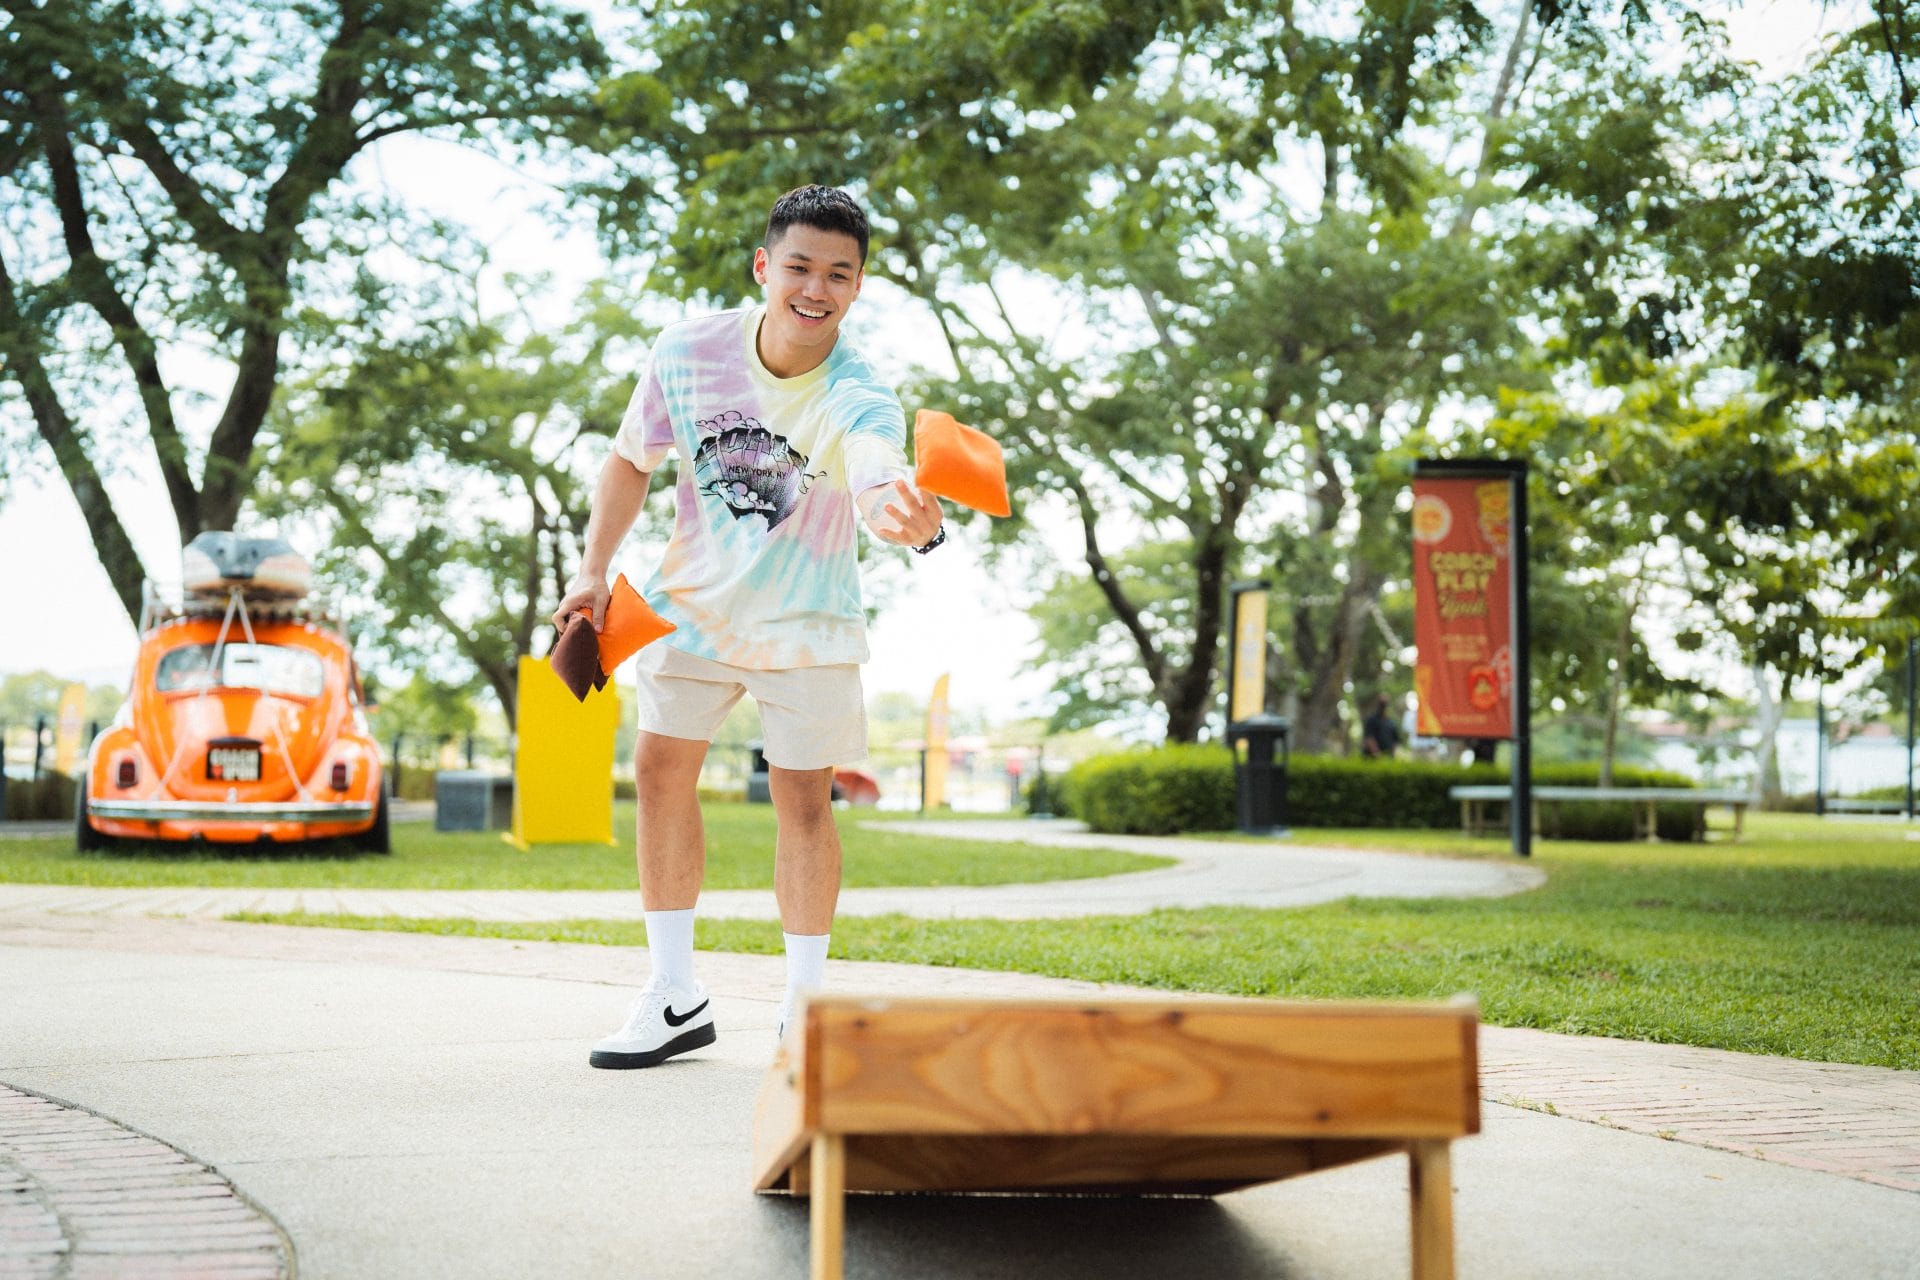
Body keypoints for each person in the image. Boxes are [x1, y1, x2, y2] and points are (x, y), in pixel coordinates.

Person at [553, 185, 946, 1069]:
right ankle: (673, 996)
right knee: (659, 774)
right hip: (687, 608)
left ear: (858, 286)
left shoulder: (859, 390)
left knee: (802, 801)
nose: (817, 288)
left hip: (806, 623)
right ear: (764, 267)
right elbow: (628, 461)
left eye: (839, 274)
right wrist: (589, 573)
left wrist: (901, 511)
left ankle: (804, 1007)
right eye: (800, 266)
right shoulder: (688, 350)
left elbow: (879, 469)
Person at [1361, 693, 1402, 760]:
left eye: (1385, 704)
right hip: (1372, 758)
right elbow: (1369, 737)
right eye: (1381, 704)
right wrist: (1377, 754)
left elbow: (1395, 741)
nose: (1383, 706)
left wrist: (1392, 755)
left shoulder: (1391, 722)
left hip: (1388, 757)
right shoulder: (1371, 720)